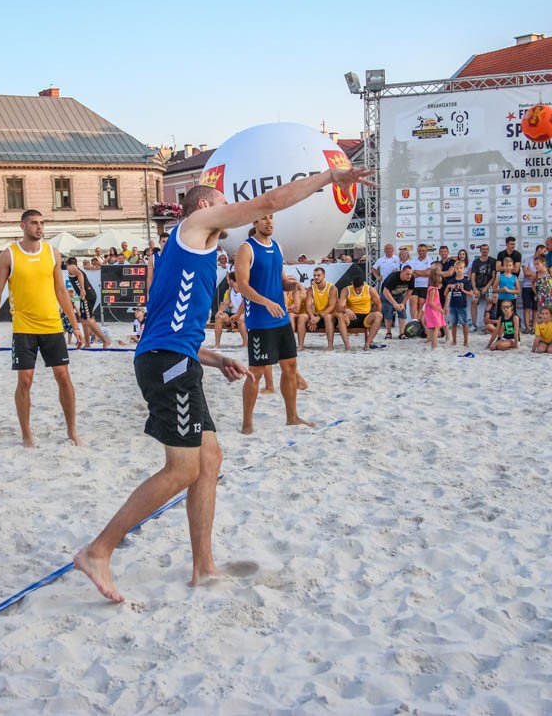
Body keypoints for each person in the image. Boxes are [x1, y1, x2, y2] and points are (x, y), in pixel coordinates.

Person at [73, 166, 374, 603]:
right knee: (182, 469)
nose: (230, 210)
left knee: (210, 459)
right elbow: (268, 202)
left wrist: (215, 358)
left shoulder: (193, 251)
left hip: (179, 359)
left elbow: (170, 326)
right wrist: (329, 178)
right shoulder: (195, 225)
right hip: (167, 365)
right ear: (203, 206)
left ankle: (203, 566)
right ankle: (98, 551)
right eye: (223, 203)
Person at [0, 208, 85, 448]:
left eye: (41, 223)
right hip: (24, 327)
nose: (39, 227)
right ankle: (26, 434)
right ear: (22, 226)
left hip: (52, 324)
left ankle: (72, 430)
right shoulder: (9, 255)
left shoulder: (52, 253)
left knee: (63, 377)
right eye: (33, 223)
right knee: (25, 381)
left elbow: (61, 291)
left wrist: (75, 325)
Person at [236, 214, 313, 435]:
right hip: (259, 320)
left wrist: (294, 286)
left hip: (281, 318)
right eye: (263, 218)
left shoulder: (277, 247)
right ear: (254, 223)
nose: (269, 222)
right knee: (256, 372)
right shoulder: (246, 248)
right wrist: (266, 302)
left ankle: (292, 417)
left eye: (271, 218)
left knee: (290, 367)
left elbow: (281, 281)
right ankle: (247, 423)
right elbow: (242, 286)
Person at [65, 257, 111, 348]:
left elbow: (79, 274)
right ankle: (87, 343)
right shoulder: (75, 268)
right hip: (86, 296)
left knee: (89, 320)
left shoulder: (71, 267)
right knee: (84, 320)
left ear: (68, 263)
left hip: (87, 296)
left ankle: (105, 340)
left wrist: (82, 289)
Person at [336, 275, 385, 352]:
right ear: (352, 285)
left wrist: (375, 315)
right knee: (340, 315)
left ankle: (368, 343)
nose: (358, 291)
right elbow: (339, 307)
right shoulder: (346, 290)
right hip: (351, 316)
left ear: (363, 285)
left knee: (379, 315)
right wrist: (346, 310)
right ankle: (347, 345)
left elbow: (378, 304)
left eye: (359, 289)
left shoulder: (370, 290)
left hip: (365, 316)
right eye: (356, 289)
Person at [301, 266, 340, 350]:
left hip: (329, 314)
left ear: (324, 276)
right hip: (316, 314)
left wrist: (318, 317)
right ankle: (300, 346)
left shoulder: (332, 288)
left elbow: (332, 306)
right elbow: (308, 305)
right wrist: (312, 317)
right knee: (302, 317)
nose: (316, 277)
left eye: (318, 275)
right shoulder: (311, 289)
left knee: (327, 316)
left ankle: (330, 346)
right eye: (314, 275)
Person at [443, 260, 473, 347]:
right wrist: (448, 286)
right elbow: (445, 294)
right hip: (453, 305)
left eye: (461, 268)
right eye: (457, 268)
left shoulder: (466, 281)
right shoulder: (451, 280)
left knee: (464, 323)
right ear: (455, 269)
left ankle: (466, 341)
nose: (459, 270)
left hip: (462, 305)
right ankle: (454, 341)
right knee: (454, 324)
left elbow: (471, 294)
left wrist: (463, 290)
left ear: (464, 269)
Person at [214, 271, 247, 349]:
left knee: (240, 319)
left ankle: (245, 343)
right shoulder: (230, 291)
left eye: (228, 280)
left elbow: (245, 304)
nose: (227, 281)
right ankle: (217, 344)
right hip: (233, 313)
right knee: (219, 318)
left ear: (232, 280)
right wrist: (220, 311)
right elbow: (226, 303)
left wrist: (237, 315)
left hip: (243, 313)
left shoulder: (243, 290)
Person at [380, 264, 412, 339]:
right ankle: (388, 333)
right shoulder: (393, 277)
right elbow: (385, 291)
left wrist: (403, 303)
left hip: (399, 294)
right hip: (387, 295)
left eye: (410, 274)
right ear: (402, 272)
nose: (409, 276)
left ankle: (402, 333)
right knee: (388, 312)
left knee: (402, 312)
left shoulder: (411, 278)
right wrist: (394, 304)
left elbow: (410, 291)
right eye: (407, 274)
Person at [469, 243, 497, 330]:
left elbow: (493, 277)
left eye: (486, 249)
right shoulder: (476, 262)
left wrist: (486, 287)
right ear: (480, 250)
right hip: (477, 286)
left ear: (488, 250)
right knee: (474, 301)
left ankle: (487, 323)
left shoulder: (493, 261)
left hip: (488, 285)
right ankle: (474, 324)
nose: (485, 251)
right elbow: (473, 276)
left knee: (490, 300)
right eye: (483, 249)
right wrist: (474, 289)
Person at [406, 244, 436, 322]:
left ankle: (419, 322)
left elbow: (429, 273)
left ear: (426, 251)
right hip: (414, 285)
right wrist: (424, 273)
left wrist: (416, 271)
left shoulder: (430, 261)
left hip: (425, 286)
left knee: (421, 304)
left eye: (423, 250)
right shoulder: (413, 261)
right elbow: (411, 273)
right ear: (417, 251)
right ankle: (414, 321)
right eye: (420, 251)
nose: (421, 252)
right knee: (413, 303)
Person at [422, 264, 445, 349]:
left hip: (432, 309)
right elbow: (431, 302)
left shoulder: (433, 288)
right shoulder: (433, 289)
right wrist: (439, 309)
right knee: (436, 327)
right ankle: (434, 345)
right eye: (440, 277)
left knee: (432, 327)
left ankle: (433, 345)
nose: (441, 278)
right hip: (433, 310)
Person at [521, 245, 543, 332]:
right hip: (527, 286)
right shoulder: (527, 259)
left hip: (539, 286)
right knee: (527, 307)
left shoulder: (543, 262)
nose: (544, 253)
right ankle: (527, 327)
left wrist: (533, 275)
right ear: (538, 250)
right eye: (543, 251)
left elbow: (543, 273)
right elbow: (526, 273)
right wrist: (536, 275)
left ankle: (534, 327)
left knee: (536, 308)